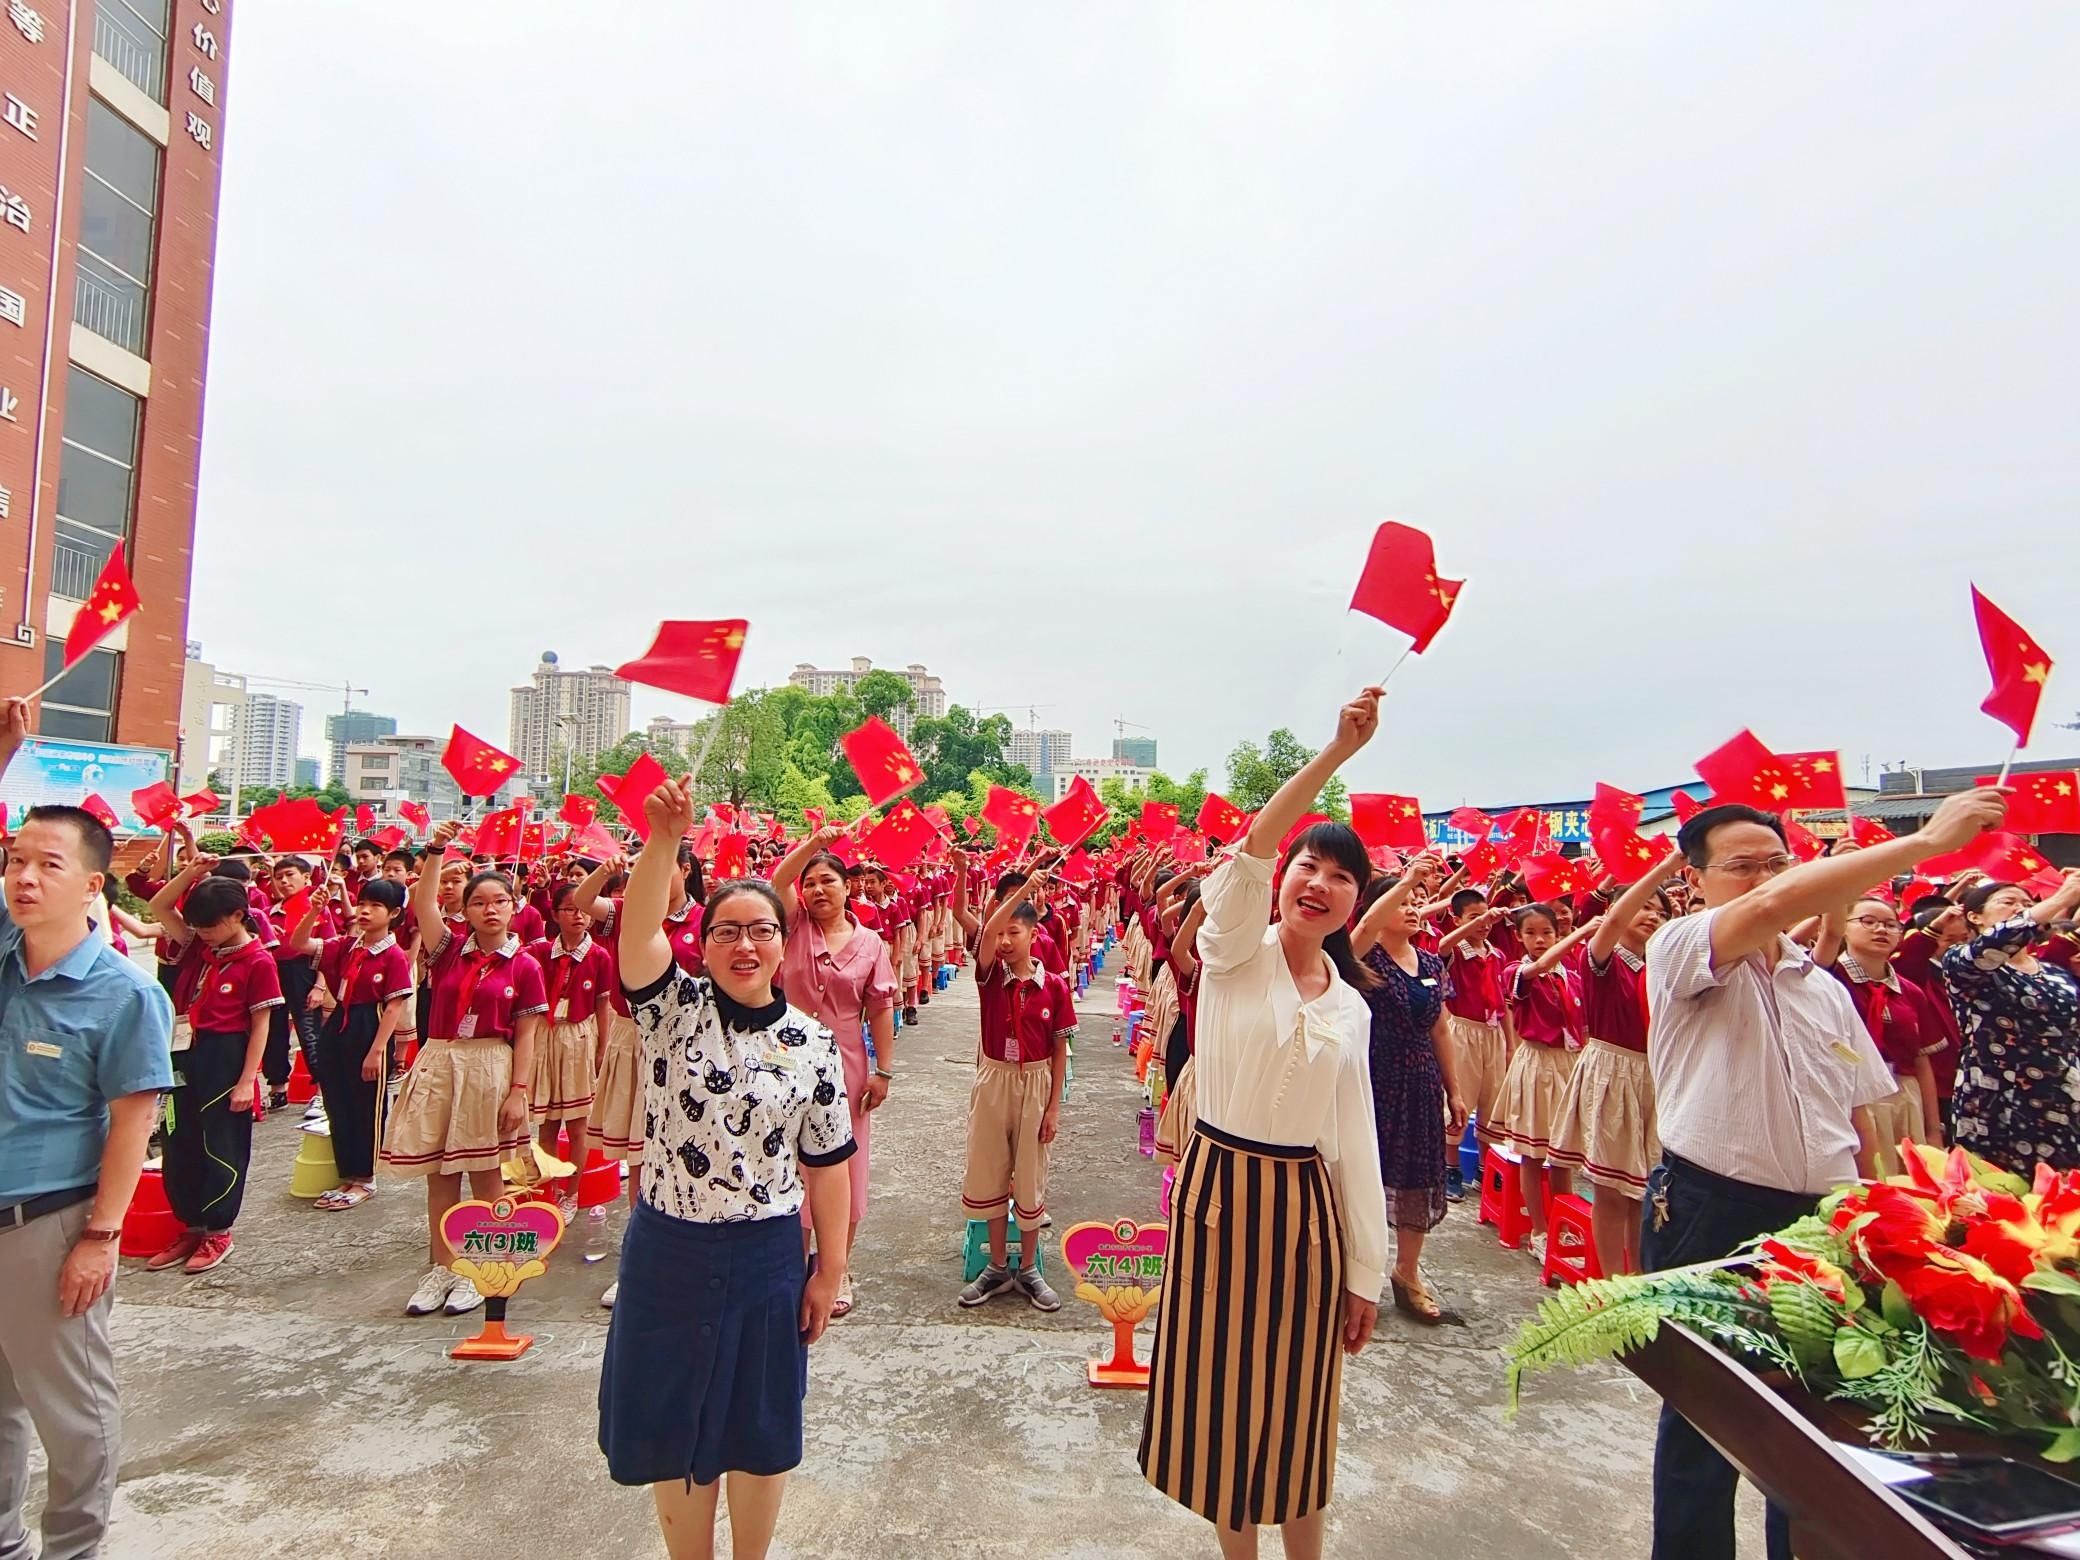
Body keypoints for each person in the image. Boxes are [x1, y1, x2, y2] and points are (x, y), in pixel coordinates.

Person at [1642, 789, 2006, 1560]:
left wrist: (1883, 1206)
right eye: (1739, 867)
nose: (1763, 879)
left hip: (1821, 1222)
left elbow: (1864, 1110)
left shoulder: (1820, 987)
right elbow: (1774, 906)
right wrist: (1927, 843)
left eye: (1775, 863)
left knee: (1815, 1426)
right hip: (1713, 1209)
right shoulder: (1679, 949)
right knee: (1709, 1422)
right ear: (1695, 880)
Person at [1139, 689, 1388, 1560]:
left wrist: (1366, 1268)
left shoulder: (1351, 1008)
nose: (1319, 884)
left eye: (1341, 875)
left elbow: (1353, 1143)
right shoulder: (1234, 953)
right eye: (1307, 867)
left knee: (1301, 1402)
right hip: (1219, 1194)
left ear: (1357, 902)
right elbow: (1244, 854)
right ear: (1283, 882)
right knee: (1223, 1405)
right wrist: (1333, 756)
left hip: (1304, 1214)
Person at [597, 777, 853, 1560]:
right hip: (669, 1251)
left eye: (762, 931)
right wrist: (664, 839)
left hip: (767, 1256)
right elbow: (636, 932)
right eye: (727, 932)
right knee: (672, 1423)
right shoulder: (671, 1009)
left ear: (785, 941)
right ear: (701, 945)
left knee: (759, 1425)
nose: (746, 946)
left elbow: (829, 1167)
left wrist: (829, 1270)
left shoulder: (812, 1045)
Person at [0, 699, 174, 1560]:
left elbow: (133, 1122)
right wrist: (7, 758)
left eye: (48, 864)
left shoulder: (125, 994)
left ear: (92, 884)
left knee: (73, 1415)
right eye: (15, 860)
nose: (26, 877)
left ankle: (73, 1550)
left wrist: (101, 1236)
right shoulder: (3, 950)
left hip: (52, 1220)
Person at [383, 821, 545, 1318]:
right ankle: (442, 1267)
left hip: (490, 1067)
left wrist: (519, 1090)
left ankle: (485, 1265)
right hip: (439, 1061)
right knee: (439, 1175)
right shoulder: (448, 948)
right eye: (479, 902)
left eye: (500, 901)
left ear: (514, 907)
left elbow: (527, 1037)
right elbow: (423, 904)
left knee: (486, 1173)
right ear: (467, 909)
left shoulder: (526, 966)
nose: (490, 909)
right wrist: (435, 850)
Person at [772, 828, 898, 1321]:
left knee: (843, 1166)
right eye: (811, 883)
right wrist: (812, 844)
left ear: (849, 887)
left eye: (828, 880)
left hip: (846, 1063)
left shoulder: (870, 943)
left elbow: (882, 1007)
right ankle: (791, 1265)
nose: (818, 890)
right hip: (784, 1056)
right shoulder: (793, 927)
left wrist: (884, 1069)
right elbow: (777, 877)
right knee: (787, 1161)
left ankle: (836, 1266)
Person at [141, 866, 284, 1272]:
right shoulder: (195, 947)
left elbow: (261, 1024)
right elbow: (159, 905)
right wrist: (192, 871)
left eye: (211, 924)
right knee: (177, 1141)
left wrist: (246, 1081)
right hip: (183, 1055)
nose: (203, 931)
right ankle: (190, 1225)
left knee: (220, 1147)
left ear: (238, 915)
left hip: (226, 1058)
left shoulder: (258, 960)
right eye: (197, 924)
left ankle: (217, 1230)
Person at [1547, 852, 1681, 1276]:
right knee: (1610, 1187)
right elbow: (1610, 926)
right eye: (1643, 907)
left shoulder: (1665, 968)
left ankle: (1638, 1275)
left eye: (1660, 912)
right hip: (1614, 1072)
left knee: (1645, 1189)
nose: (1651, 916)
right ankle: (1609, 1278)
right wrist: (1662, 868)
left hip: (1656, 1076)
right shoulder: (1602, 960)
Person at [1350, 856, 1467, 1324]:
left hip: (1420, 1082)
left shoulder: (1432, 963)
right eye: (1405, 901)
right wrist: (1405, 881)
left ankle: (1408, 1273)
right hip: (1373, 1077)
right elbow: (1363, 928)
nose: (1416, 907)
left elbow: (1441, 1029)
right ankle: (1356, 1275)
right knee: (1363, 1178)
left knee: (1419, 1178)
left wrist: (1453, 1089)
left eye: (1420, 901)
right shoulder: (1361, 958)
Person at [954, 873, 1072, 1313]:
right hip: (994, 1080)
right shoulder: (989, 979)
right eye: (998, 933)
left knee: (1029, 1171)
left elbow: (1061, 1048)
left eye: (1014, 932)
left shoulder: (1054, 986)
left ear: (1034, 933)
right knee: (990, 1168)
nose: (1003, 941)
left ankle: (1028, 1268)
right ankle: (998, 1266)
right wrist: (1018, 894)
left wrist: (1053, 1107)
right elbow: (984, 930)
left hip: (1037, 1082)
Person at [1944, 872, 2080, 1174]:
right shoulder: (1963, 962)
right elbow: (1997, 942)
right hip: (1997, 1099)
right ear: (1975, 917)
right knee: (2001, 1197)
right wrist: (2060, 900)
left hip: (2060, 1098)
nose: (2020, 908)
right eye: (2008, 902)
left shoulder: (2054, 974)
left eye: (2027, 902)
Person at [302, 880, 415, 1210]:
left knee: (366, 1105)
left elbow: (394, 1006)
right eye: (362, 903)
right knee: (337, 1102)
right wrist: (313, 910)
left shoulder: (393, 955)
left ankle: (366, 1177)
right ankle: (346, 1174)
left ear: (393, 913)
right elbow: (298, 944)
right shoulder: (347, 946)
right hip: (339, 1022)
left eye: (376, 906)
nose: (365, 911)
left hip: (370, 1025)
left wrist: (379, 1051)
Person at [1818, 894, 1946, 1172]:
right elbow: (1828, 935)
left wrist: (1933, 1129)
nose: (1880, 930)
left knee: (1906, 1179)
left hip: (1902, 1095)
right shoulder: (1828, 977)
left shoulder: (1910, 991)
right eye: (1868, 921)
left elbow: (1921, 1060)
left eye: (1890, 925)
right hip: (1849, 1094)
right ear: (1845, 927)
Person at [1493, 902, 1589, 1263]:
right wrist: (1583, 931)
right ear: (1518, 937)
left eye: (1546, 932)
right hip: (1537, 1064)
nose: (1539, 939)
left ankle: (1562, 1223)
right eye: (1530, 933)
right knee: (1533, 1154)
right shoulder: (1517, 971)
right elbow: (1539, 967)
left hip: (1567, 1064)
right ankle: (1538, 1229)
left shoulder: (1573, 975)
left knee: (1562, 1154)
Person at [525, 884, 615, 1190]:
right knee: (547, 1122)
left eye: (583, 910)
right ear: (555, 915)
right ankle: (547, 1185)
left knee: (579, 1123)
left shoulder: (599, 956)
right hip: (545, 1033)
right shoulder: (539, 952)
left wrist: (603, 1046)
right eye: (569, 910)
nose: (578, 916)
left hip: (578, 1035)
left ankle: (572, 1190)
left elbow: (602, 1004)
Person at [1434, 889, 1510, 1184]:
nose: (1484, 924)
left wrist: (1509, 1045)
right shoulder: (1456, 951)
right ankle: (1451, 1167)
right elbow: (1442, 945)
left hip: (1492, 1033)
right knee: (1460, 1098)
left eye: (1487, 916)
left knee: (1492, 1100)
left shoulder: (1496, 954)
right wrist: (1474, 924)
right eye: (1475, 918)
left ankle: (1485, 1166)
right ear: (1457, 919)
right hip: (1463, 1031)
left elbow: (1504, 1002)